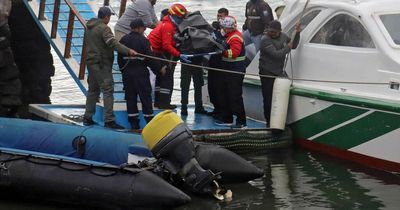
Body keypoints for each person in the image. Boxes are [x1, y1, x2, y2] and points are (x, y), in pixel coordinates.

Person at [83, 7, 136, 129]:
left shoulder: (89, 27)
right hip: (101, 63)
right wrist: (128, 51)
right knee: (107, 89)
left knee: (93, 90)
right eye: (109, 16)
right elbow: (112, 43)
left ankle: (87, 117)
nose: (109, 18)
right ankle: (109, 120)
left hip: (91, 62)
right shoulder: (104, 28)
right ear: (106, 17)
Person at [118, 19, 166, 129]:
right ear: (138, 28)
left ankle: (134, 124)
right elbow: (150, 58)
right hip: (141, 73)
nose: (144, 29)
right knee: (145, 97)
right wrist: (159, 70)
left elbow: (120, 59)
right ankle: (150, 124)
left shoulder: (123, 40)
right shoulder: (144, 41)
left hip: (127, 74)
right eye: (143, 27)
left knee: (130, 98)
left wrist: (123, 71)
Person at [148, 3, 190, 110]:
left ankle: (158, 101)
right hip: (155, 52)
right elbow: (166, 45)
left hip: (154, 51)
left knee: (159, 76)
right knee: (167, 75)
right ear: (174, 16)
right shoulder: (168, 26)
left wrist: (175, 45)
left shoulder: (165, 23)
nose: (181, 21)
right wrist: (179, 54)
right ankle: (164, 103)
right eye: (180, 18)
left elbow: (167, 42)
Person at [259, 20, 300, 127]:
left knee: (279, 96)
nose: (272, 33)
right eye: (270, 31)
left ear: (280, 31)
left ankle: (280, 121)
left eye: (274, 32)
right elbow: (277, 55)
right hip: (266, 72)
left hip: (278, 71)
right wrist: (288, 47)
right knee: (268, 98)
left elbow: (294, 45)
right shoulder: (265, 40)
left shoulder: (283, 36)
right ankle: (269, 122)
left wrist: (297, 33)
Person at [215, 16, 247, 129]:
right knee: (225, 93)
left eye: (225, 28)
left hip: (235, 70)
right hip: (228, 69)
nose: (224, 29)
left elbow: (233, 53)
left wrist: (222, 52)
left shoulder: (235, 38)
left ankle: (241, 121)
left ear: (230, 28)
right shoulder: (229, 36)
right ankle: (227, 118)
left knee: (235, 96)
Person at [208, 8, 229, 117]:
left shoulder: (227, 30)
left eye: (221, 16)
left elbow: (225, 44)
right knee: (211, 86)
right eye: (218, 16)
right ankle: (216, 108)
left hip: (221, 61)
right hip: (213, 59)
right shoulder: (215, 28)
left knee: (220, 88)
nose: (219, 18)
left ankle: (222, 110)